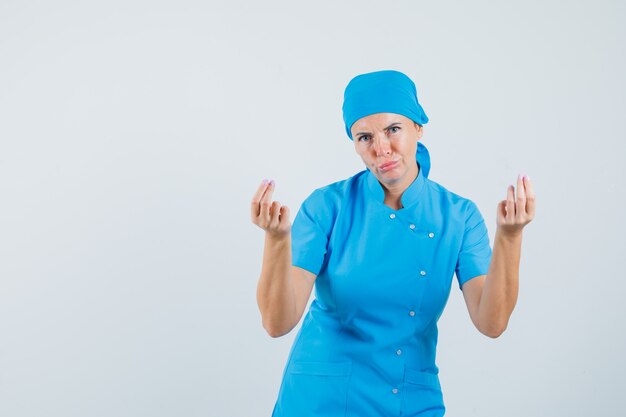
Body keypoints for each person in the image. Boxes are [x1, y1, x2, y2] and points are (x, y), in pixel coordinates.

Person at [251, 69, 535, 417]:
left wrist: (510, 235)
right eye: (364, 137)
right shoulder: (327, 207)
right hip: (321, 399)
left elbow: (492, 323)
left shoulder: (458, 217)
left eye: (393, 129)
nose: (380, 148)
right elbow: (277, 322)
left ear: (419, 127)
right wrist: (277, 241)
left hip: (409, 398)